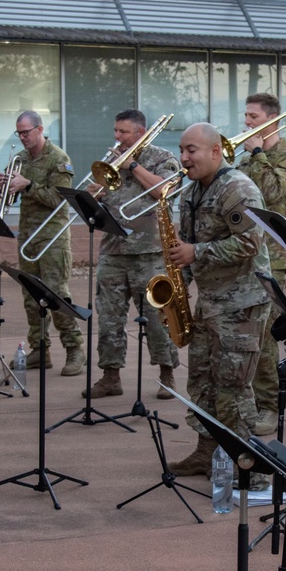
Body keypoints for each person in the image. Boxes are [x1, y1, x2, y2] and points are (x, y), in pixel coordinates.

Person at [166, 123, 270, 476]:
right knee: (202, 383)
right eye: (181, 149)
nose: (184, 157)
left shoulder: (239, 189)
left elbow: (250, 243)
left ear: (215, 151)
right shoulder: (191, 192)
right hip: (210, 302)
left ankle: (246, 469)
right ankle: (207, 452)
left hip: (241, 305)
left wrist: (197, 252)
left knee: (233, 390)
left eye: (191, 150)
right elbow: (185, 247)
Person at [84, 109, 181, 399]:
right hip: (113, 251)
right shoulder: (110, 161)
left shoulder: (163, 159)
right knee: (109, 318)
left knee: (157, 316)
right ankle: (110, 376)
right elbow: (95, 206)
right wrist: (94, 197)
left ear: (140, 133)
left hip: (149, 252)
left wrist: (134, 165)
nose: (117, 137)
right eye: (115, 131)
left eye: (123, 132)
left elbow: (165, 190)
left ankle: (167, 373)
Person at [234, 93, 286, 435]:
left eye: (253, 116)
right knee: (239, 334)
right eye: (246, 115)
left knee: (263, 338)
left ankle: (269, 408)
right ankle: (244, 400)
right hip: (241, 253)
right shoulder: (246, 158)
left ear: (273, 120)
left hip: (271, 258)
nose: (247, 121)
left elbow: (274, 194)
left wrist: (258, 154)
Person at [0, 111, 83, 376]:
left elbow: (60, 200)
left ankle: (74, 349)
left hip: (52, 238)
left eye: (26, 132)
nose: (22, 137)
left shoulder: (59, 159)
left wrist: (28, 185)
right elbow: (11, 199)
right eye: (19, 133)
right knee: (31, 297)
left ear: (40, 129)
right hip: (28, 236)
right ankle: (39, 349)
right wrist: (3, 187)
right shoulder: (20, 159)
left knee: (56, 294)